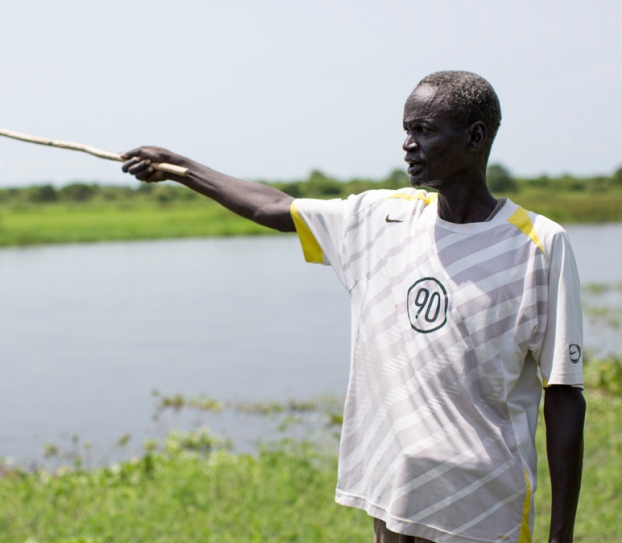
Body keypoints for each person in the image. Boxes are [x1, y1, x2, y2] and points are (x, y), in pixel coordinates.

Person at [122, 71, 585, 543]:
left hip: (482, 510)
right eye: (406, 130)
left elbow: (565, 397)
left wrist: (561, 536)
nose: (408, 144)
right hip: (391, 496)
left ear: (475, 137)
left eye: (424, 131)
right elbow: (273, 208)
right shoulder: (379, 220)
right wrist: (180, 168)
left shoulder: (539, 245)